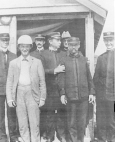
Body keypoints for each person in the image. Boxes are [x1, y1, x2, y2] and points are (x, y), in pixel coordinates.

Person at [6, 35, 46, 142]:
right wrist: (10, 98)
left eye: (27, 47)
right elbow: (9, 82)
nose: (24, 49)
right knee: (22, 123)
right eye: (22, 47)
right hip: (19, 94)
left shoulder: (37, 62)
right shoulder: (13, 63)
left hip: (33, 94)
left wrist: (42, 98)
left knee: (34, 123)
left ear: (30, 47)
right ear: (19, 48)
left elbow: (42, 81)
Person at [59, 37, 95, 142]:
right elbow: (61, 79)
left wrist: (92, 92)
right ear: (67, 46)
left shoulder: (83, 60)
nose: (73, 47)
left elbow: (89, 77)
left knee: (82, 123)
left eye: (75, 45)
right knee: (71, 123)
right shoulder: (63, 60)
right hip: (70, 97)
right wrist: (62, 93)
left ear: (79, 46)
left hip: (83, 97)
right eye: (71, 45)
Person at [42, 32, 66, 142]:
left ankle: (61, 135)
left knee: (61, 113)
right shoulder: (43, 54)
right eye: (57, 40)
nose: (60, 42)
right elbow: (40, 71)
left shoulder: (63, 54)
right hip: (49, 89)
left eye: (60, 40)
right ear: (50, 41)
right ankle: (50, 136)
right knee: (49, 114)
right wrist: (54, 71)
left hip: (61, 89)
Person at [93, 32, 115, 142]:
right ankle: (101, 138)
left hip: (112, 95)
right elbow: (96, 77)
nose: (109, 43)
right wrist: (93, 93)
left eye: (111, 40)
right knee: (101, 118)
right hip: (101, 95)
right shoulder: (101, 58)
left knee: (111, 119)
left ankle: (111, 138)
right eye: (106, 40)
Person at [0, 33, 20, 142]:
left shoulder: (14, 56)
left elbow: (17, 73)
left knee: (12, 114)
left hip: (11, 91)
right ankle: (2, 136)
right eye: (3, 40)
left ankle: (13, 136)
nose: (5, 42)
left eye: (7, 40)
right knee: (0, 115)